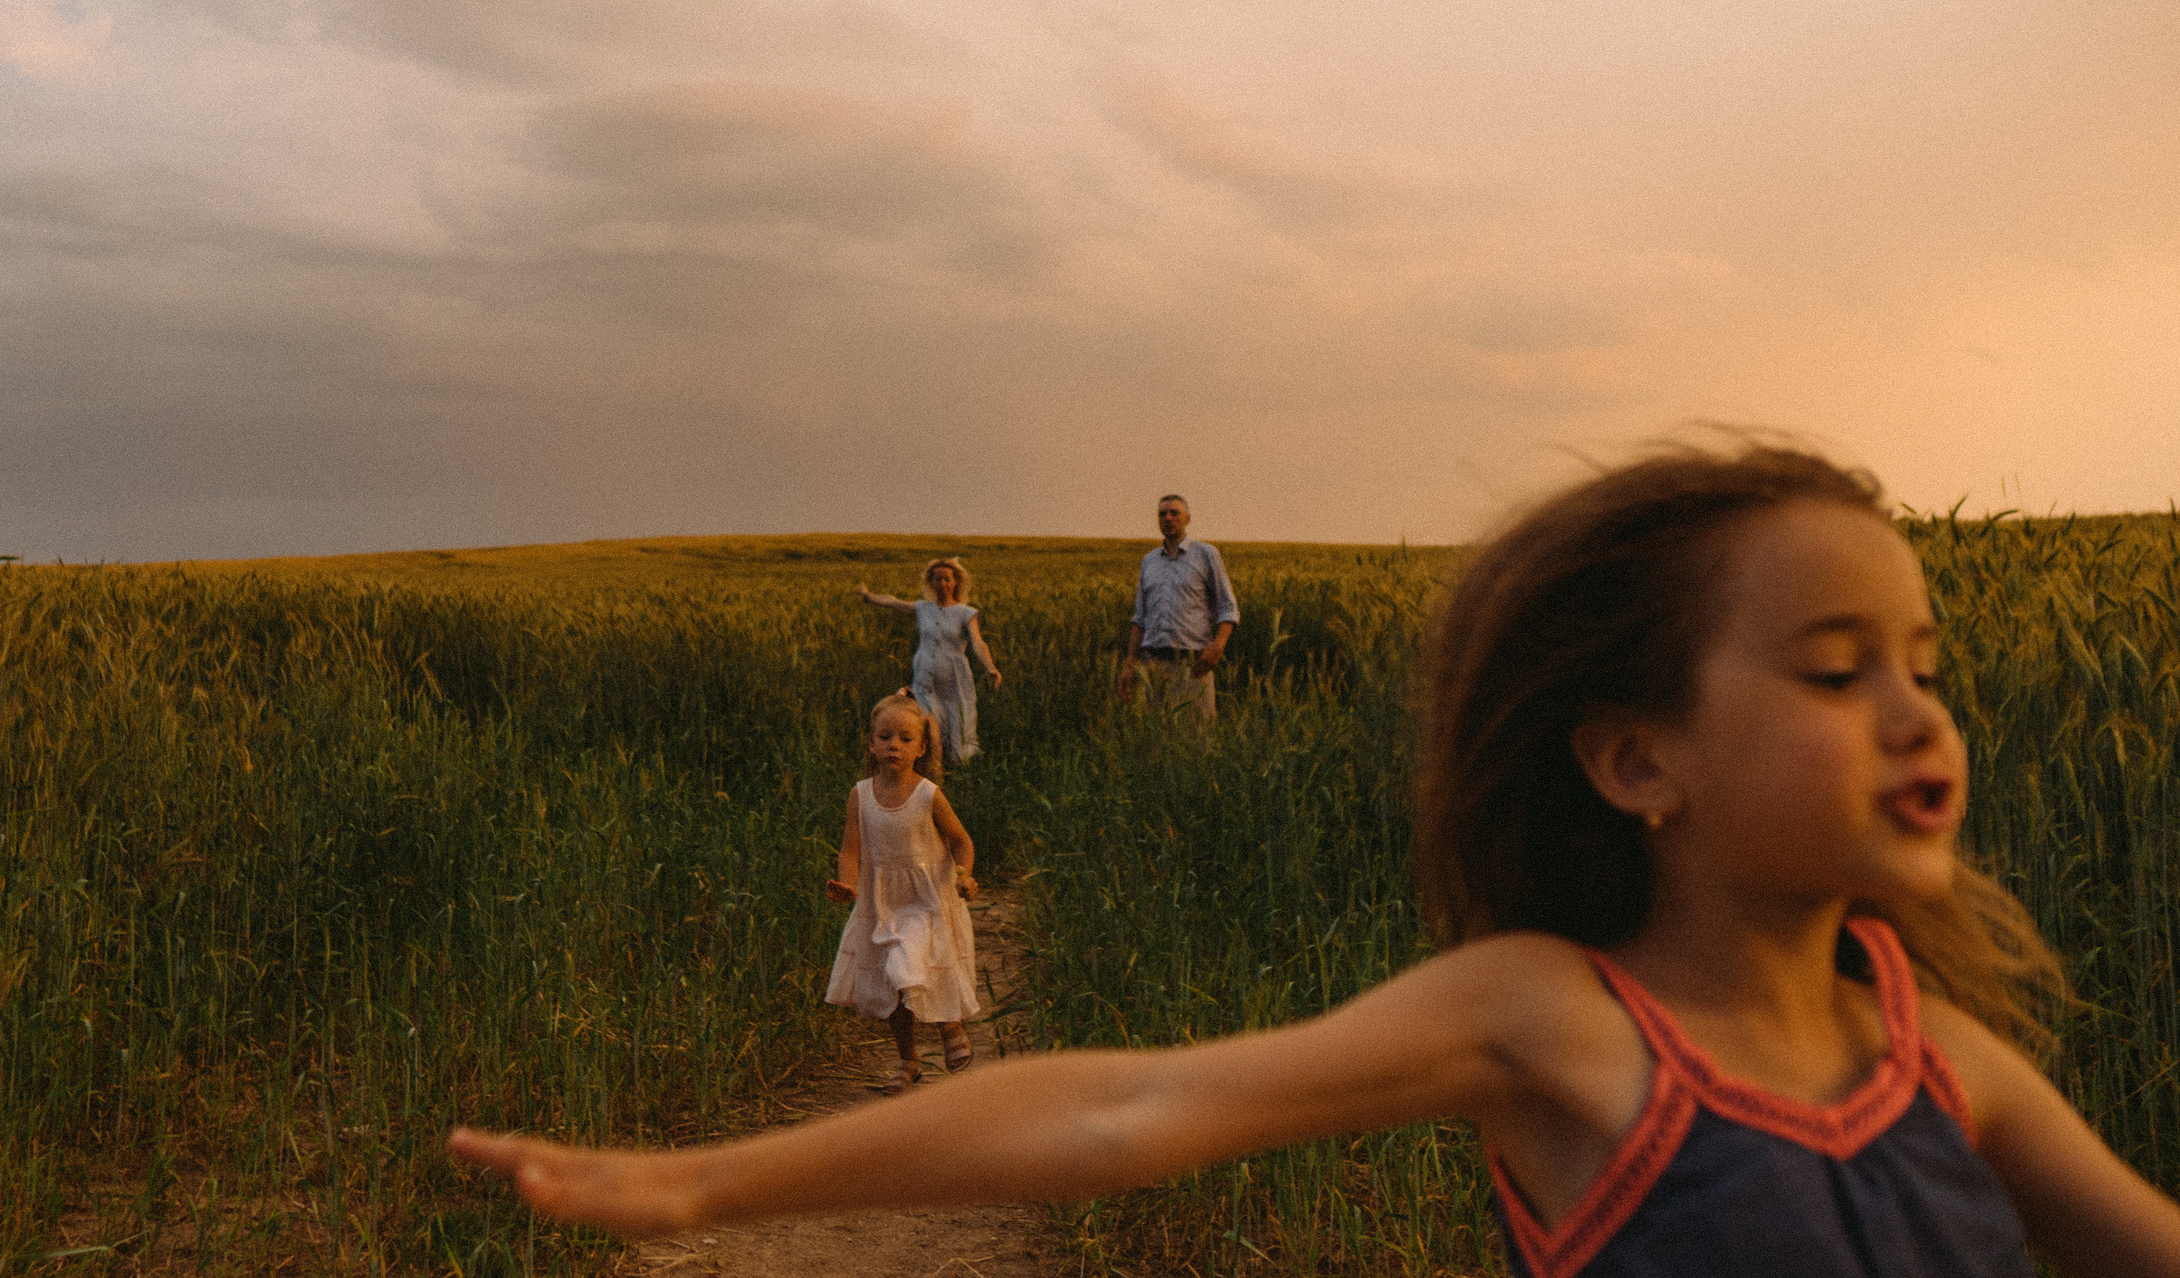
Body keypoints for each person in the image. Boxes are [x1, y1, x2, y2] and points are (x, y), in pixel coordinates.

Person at [450, 442, 2180, 1276]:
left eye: (1927, 666)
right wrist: (708, 1185)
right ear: (1634, 756)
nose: (1914, 712)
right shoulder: (1567, 1028)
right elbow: (1128, 1111)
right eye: (1831, 668)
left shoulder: (1944, 1068)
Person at [822, 690, 981, 1093]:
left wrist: (963, 874)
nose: (894, 744)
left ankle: (949, 1024)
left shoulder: (928, 794)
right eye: (885, 736)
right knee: (895, 982)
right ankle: (908, 1059)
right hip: (883, 901)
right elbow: (850, 850)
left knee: (909, 964)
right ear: (871, 743)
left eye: (905, 739)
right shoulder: (860, 794)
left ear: (921, 747)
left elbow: (961, 840)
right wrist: (847, 883)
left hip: (927, 898)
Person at [856, 558, 1001, 763]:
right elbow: (894, 602)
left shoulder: (966, 613)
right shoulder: (923, 608)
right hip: (924, 681)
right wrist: (868, 597)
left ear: (955, 582)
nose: (942, 584)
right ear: (931, 582)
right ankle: (929, 774)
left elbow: (978, 642)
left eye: (947, 579)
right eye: (937, 579)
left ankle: (958, 772)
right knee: (925, 731)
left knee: (958, 747)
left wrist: (990, 667)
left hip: (954, 684)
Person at [1115, 494, 1237, 727]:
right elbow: (1140, 619)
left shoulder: (1206, 554)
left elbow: (1228, 606)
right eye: (1162, 514)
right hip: (1154, 667)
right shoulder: (1149, 561)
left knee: (1197, 740)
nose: (1168, 518)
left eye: (1174, 513)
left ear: (1188, 519)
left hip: (1193, 667)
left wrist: (1218, 646)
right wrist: (1130, 666)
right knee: (1158, 741)